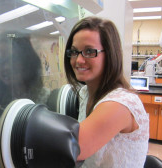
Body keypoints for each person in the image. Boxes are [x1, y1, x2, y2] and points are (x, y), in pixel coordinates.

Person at [64, 16, 149, 167]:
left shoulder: (119, 104)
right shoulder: (85, 92)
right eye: (74, 51)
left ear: (110, 55)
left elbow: (73, 148)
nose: (78, 60)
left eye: (89, 51)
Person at [0, 31, 50, 141]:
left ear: (27, 61)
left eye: (13, 59)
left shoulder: (46, 100)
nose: (6, 67)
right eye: (0, 61)